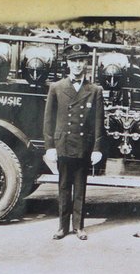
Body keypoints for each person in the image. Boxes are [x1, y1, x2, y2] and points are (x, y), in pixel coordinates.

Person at [43, 43, 105, 240]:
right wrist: (50, 146)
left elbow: (98, 122)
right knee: (63, 186)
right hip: (63, 144)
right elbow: (48, 120)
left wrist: (97, 148)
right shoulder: (57, 87)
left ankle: (78, 226)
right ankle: (62, 226)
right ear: (68, 63)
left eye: (81, 61)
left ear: (86, 63)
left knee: (80, 187)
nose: (78, 65)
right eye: (74, 61)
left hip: (82, 146)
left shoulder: (94, 90)